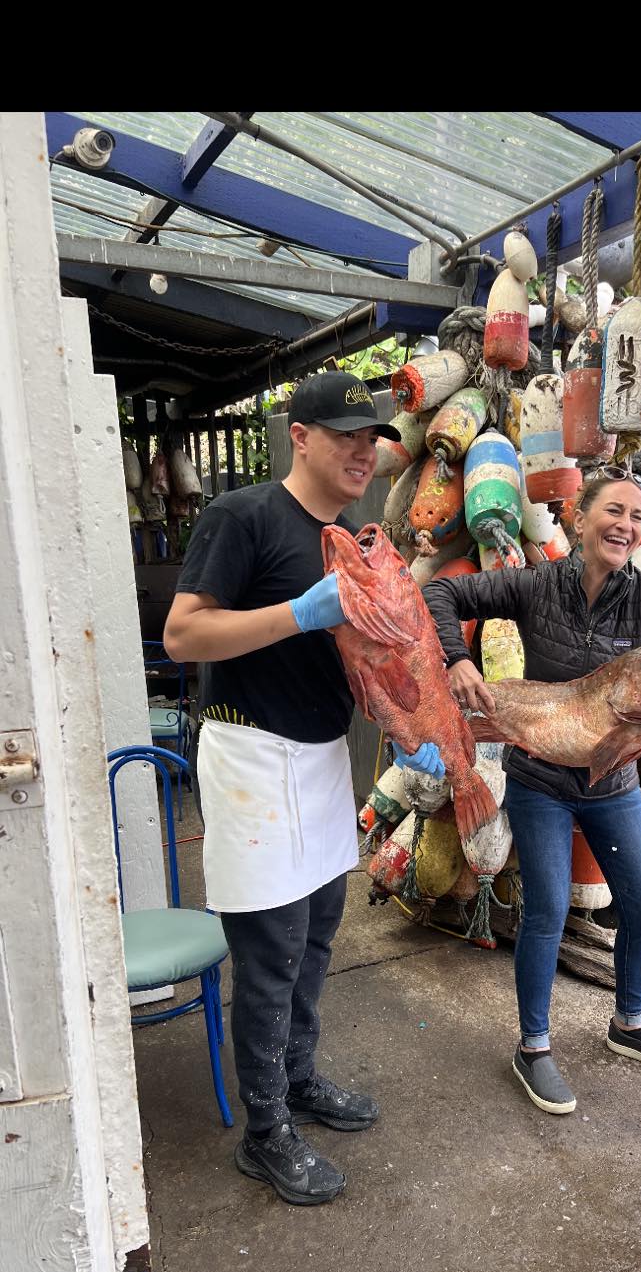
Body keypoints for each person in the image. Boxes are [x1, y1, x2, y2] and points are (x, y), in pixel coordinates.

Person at [163, 372, 444, 1205]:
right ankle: (264, 1132)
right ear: (302, 436)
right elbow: (183, 634)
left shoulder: (352, 533)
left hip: (321, 759)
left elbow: (359, 654)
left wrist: (409, 721)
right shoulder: (241, 516)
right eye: (348, 434)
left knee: (319, 931)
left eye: (374, 438)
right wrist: (300, 611)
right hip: (251, 754)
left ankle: (298, 1078)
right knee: (270, 953)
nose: (366, 450)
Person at [426, 468, 641, 1117]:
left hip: (612, 783)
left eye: (637, 516)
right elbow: (442, 597)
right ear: (577, 520)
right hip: (541, 781)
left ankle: (629, 1025)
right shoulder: (535, 585)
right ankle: (532, 1048)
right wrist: (458, 659)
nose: (626, 525)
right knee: (549, 909)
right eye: (613, 510)